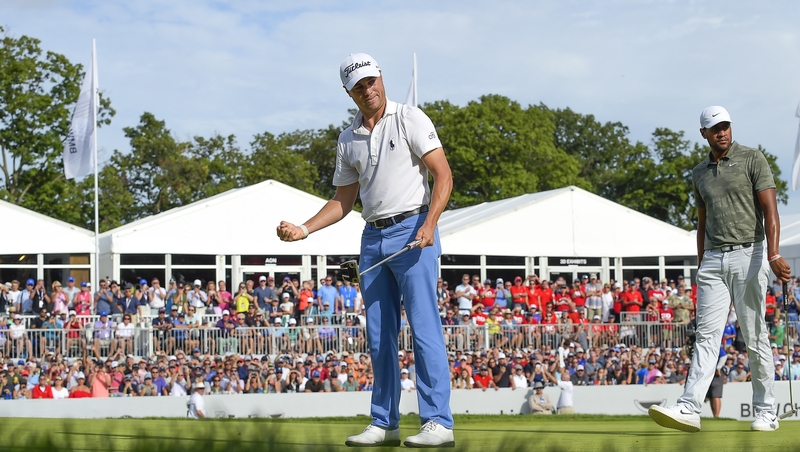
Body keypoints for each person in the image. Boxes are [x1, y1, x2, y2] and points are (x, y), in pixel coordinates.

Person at [277, 53, 454, 448]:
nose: (369, 89)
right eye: (359, 86)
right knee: (379, 337)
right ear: (349, 92)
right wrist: (304, 229)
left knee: (424, 332)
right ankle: (384, 422)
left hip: (414, 228)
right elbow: (343, 199)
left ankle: (439, 423)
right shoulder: (347, 138)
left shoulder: (410, 117)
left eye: (372, 80)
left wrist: (430, 224)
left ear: (380, 78)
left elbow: (443, 175)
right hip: (371, 238)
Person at [649, 106, 791, 433]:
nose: (722, 132)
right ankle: (688, 407)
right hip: (713, 259)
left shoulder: (753, 159)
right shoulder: (699, 172)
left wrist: (773, 254)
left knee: (754, 336)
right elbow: (702, 224)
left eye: (725, 126)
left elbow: (771, 210)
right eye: (715, 128)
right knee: (706, 337)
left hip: (750, 254)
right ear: (704, 134)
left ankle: (766, 411)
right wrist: (702, 265)